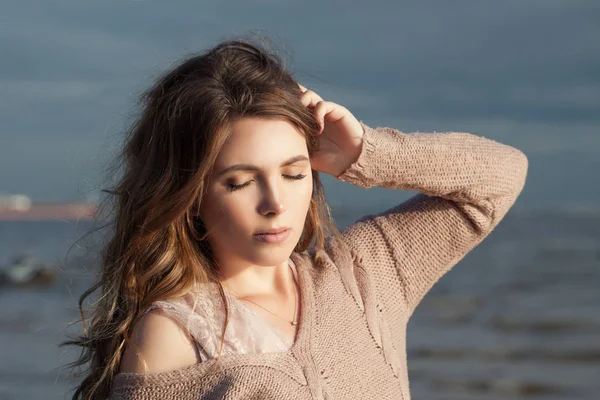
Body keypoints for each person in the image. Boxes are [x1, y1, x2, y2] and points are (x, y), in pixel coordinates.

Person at [62, 36, 528, 400]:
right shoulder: (176, 333)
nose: (276, 203)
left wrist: (366, 152)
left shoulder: (366, 273)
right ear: (190, 193)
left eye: (293, 172)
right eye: (240, 182)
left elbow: (500, 176)